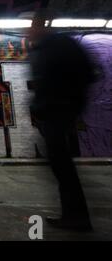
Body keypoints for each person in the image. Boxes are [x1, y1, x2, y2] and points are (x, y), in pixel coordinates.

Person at [29, 12, 96, 231]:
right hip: (55, 113)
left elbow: (83, 74)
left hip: (57, 113)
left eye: (31, 26)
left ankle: (76, 217)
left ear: (41, 26)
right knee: (61, 166)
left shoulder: (57, 46)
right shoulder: (47, 47)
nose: (28, 31)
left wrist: (62, 104)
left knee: (63, 167)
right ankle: (74, 215)